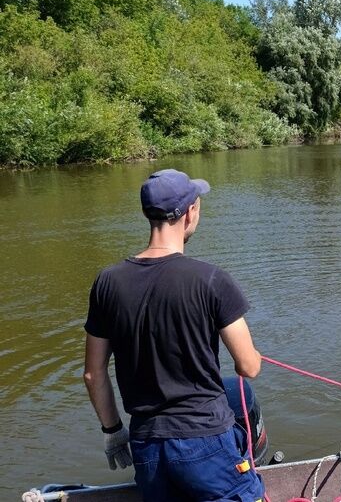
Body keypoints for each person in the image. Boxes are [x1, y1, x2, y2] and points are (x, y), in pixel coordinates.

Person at [83, 168, 265, 501]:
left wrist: (113, 431)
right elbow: (248, 367)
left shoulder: (107, 282)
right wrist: (252, 355)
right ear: (190, 212)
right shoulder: (211, 280)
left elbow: (93, 374)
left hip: (147, 444)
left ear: (147, 214)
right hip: (205, 438)